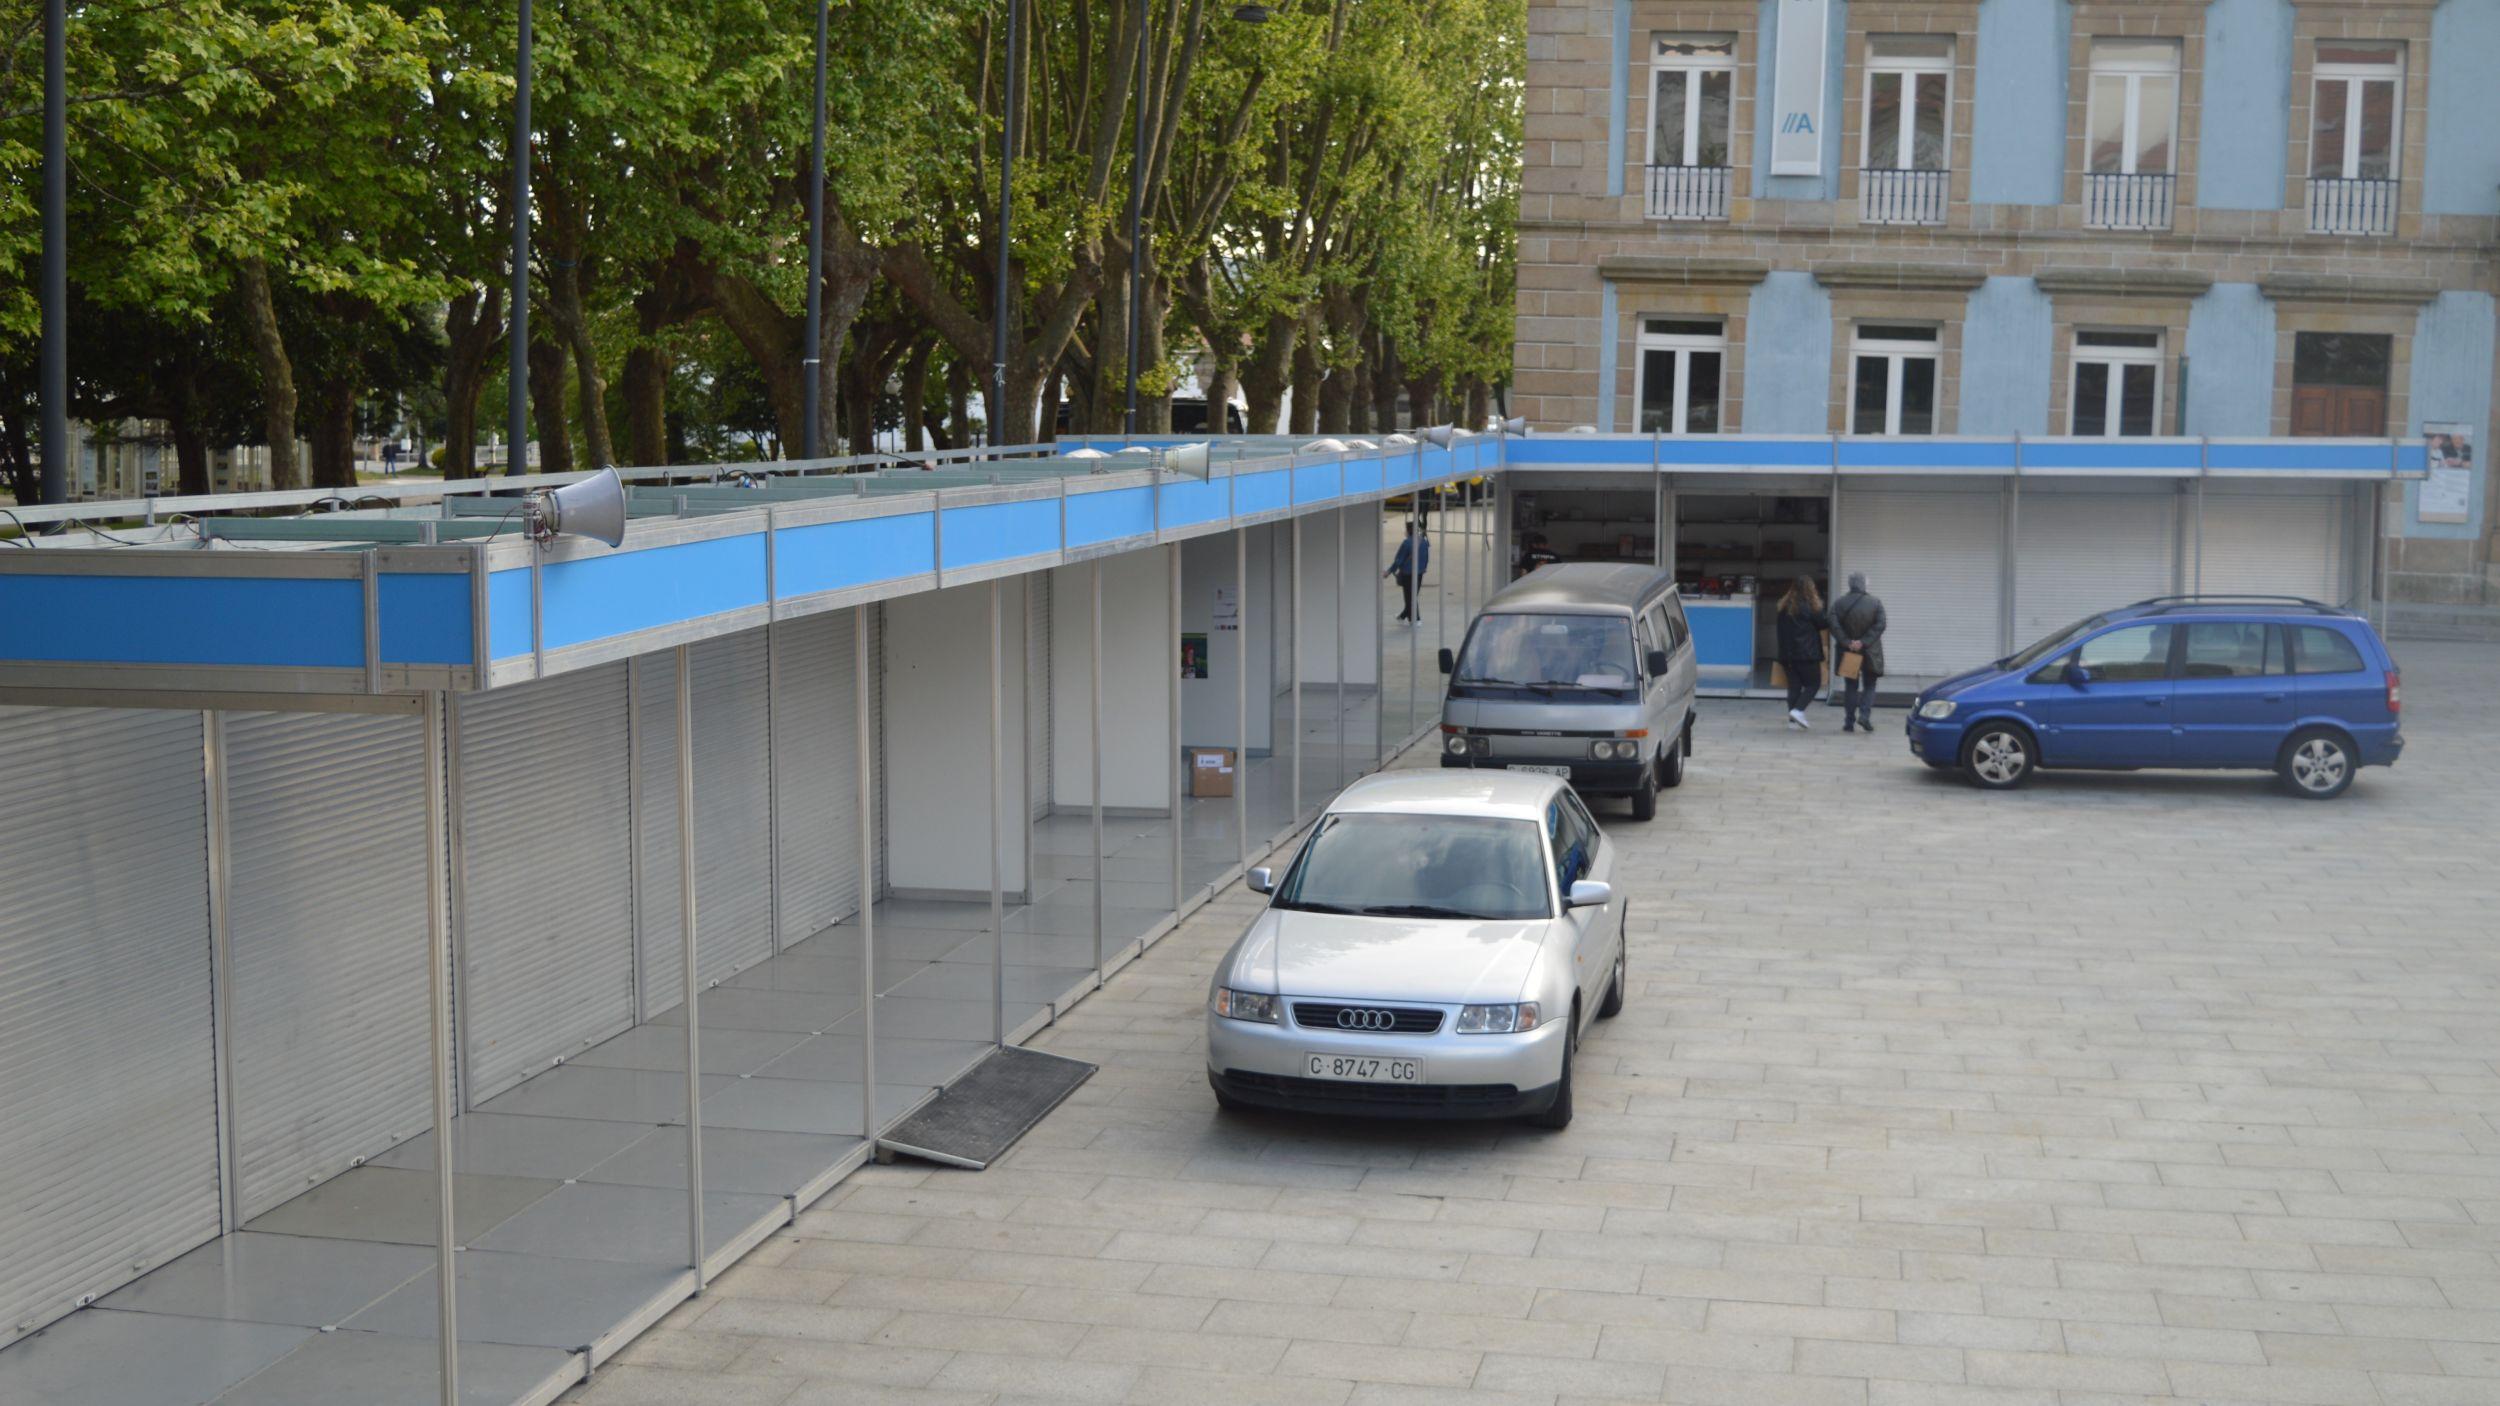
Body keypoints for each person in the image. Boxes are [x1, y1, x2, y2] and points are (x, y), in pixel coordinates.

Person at [1826, 571, 1887, 733]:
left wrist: (1847, 642)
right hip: (1870, 652)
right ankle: (1865, 716)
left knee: (1851, 686)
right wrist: (1864, 642)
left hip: (1849, 652)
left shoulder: (1839, 603)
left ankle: (1849, 722)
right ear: (1863, 584)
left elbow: (1833, 624)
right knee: (1870, 684)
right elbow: (1880, 625)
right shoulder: (1875, 602)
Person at [1773, 576, 1827, 729]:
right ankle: (1798, 710)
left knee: (1794, 686)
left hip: (1786, 655)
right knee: (1813, 684)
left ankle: (1792, 722)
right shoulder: (1810, 607)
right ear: (1810, 590)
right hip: (1806, 654)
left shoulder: (1783, 607)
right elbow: (1823, 623)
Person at [1385, 522, 1429, 624]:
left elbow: (1398, 560)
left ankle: (1416, 619)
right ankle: (1403, 616)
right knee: (1413, 595)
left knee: (1410, 597)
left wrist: (1388, 571)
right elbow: (1426, 557)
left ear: (1408, 531)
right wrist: (1424, 567)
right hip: (1420, 572)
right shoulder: (1424, 542)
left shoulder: (1406, 543)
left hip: (1408, 573)